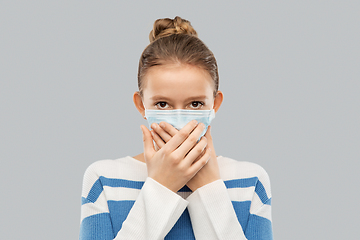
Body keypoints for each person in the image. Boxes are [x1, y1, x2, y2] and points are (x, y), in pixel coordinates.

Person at [79, 16, 273, 240]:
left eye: (195, 104)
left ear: (215, 104)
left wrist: (209, 190)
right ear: (141, 104)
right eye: (162, 104)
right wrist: (161, 186)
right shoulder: (104, 179)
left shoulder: (251, 181)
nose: (180, 121)